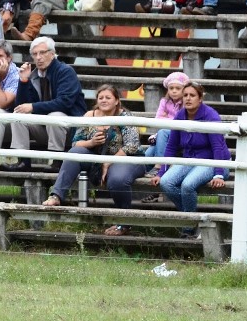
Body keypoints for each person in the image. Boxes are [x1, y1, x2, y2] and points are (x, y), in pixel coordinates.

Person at [40, 85, 146, 236]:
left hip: (126, 159)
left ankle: (123, 223)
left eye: (108, 97)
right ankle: (56, 196)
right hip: (96, 159)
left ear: (117, 101)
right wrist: (91, 142)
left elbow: (132, 146)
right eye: (100, 97)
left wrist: (108, 162)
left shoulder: (125, 117)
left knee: (117, 179)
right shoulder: (90, 115)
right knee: (74, 153)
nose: (104, 100)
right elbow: (76, 142)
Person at [149, 82, 230, 238]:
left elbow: (218, 147)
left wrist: (219, 174)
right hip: (190, 160)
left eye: (192, 95)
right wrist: (161, 172)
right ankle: (194, 220)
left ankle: (188, 228)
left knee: (187, 185)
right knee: (166, 182)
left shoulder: (211, 115)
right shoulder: (180, 115)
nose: (188, 98)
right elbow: (171, 146)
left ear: (200, 98)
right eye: (185, 95)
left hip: (214, 162)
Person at [0, 37, 86, 172]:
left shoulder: (65, 71)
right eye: (35, 54)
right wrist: (23, 81)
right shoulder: (33, 75)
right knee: (19, 115)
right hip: (45, 127)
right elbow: (22, 105)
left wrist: (33, 107)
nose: (38, 57)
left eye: (42, 53)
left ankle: (56, 161)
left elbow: (64, 103)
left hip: (71, 130)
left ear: (52, 53)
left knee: (55, 115)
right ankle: (22, 161)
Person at [141, 71, 189, 204]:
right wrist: (170, 121)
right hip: (166, 137)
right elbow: (158, 119)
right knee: (148, 153)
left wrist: (167, 119)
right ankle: (154, 191)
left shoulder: (186, 103)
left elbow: (181, 123)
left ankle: (159, 166)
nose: (174, 91)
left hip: (180, 138)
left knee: (162, 132)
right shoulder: (164, 101)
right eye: (171, 88)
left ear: (184, 90)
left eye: (178, 88)